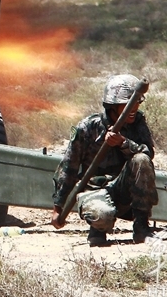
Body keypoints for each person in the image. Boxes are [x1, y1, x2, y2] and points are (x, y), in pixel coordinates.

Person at [50, 74, 158, 246]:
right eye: (127, 104)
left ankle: (141, 229)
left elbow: (148, 153)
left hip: (124, 191)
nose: (134, 108)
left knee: (141, 159)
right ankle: (97, 230)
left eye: (137, 103)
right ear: (112, 107)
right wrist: (58, 207)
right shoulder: (87, 127)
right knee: (101, 215)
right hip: (95, 191)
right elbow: (69, 167)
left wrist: (124, 143)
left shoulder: (137, 122)